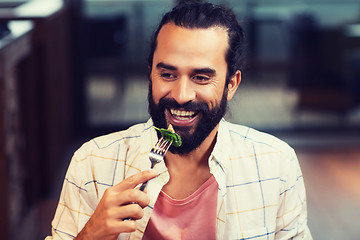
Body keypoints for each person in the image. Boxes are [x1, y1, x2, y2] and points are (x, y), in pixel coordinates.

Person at [46, 1, 312, 239]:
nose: (181, 96)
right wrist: (89, 236)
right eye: (168, 75)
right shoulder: (92, 163)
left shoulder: (276, 164)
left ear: (231, 84)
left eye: (201, 77)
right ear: (150, 74)